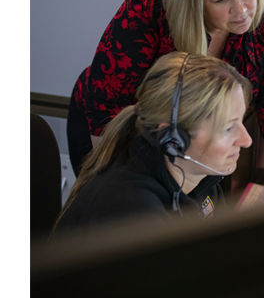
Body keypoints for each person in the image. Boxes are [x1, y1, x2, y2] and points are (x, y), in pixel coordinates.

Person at [67, 0, 264, 195]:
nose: (241, 9)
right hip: (123, 138)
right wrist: (113, 190)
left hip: (198, 152)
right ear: (194, 0)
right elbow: (107, 108)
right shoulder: (152, 4)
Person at [54, 52, 252, 235]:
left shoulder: (203, 181)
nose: (246, 141)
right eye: (227, 129)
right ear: (174, 138)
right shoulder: (133, 212)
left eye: (240, 122)